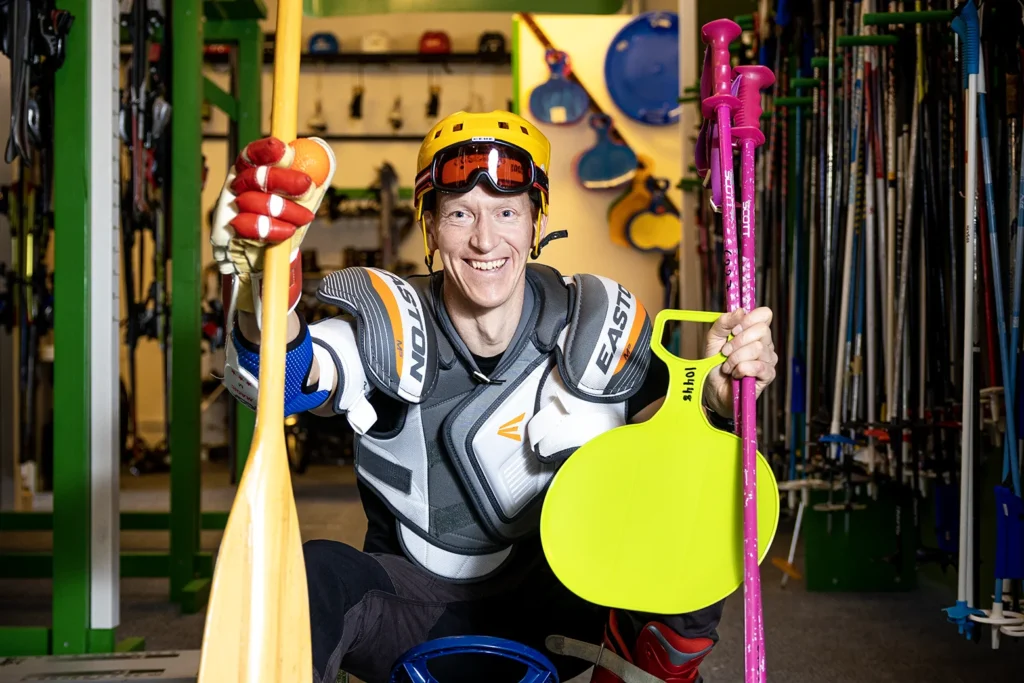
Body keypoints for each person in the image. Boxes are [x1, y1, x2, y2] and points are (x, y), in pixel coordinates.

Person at [210, 111, 778, 683]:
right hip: (415, 611)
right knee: (311, 574)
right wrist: (262, 292)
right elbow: (283, 381)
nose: (485, 239)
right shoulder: (387, 324)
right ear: (430, 226)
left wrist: (712, 399)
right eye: (460, 213)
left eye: (506, 212)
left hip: (565, 604)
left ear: (535, 223)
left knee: (690, 522)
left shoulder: (597, 321)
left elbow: (668, 455)